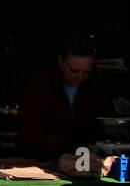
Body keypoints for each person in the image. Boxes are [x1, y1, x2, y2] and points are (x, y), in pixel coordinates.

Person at [16, 31, 105, 159]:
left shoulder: (94, 86)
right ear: (60, 61)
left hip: (83, 159)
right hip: (41, 160)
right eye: (74, 71)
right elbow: (29, 133)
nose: (80, 77)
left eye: (86, 72)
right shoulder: (40, 86)